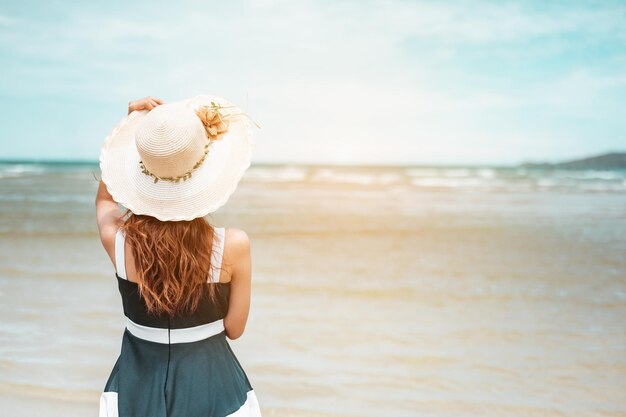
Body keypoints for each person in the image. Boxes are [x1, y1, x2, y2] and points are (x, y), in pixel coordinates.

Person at [95, 95, 262, 416]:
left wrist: (127, 130)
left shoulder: (116, 239)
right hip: (216, 391)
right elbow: (234, 329)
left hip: (134, 390)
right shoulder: (233, 245)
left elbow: (105, 200)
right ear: (204, 175)